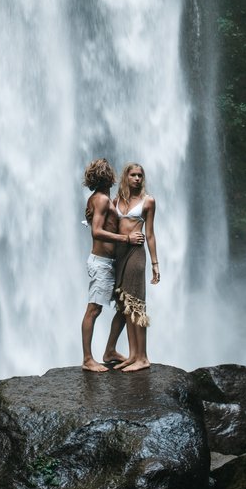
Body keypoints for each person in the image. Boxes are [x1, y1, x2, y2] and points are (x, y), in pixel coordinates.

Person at [81, 158, 142, 372]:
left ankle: (110, 351)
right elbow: (96, 231)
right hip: (102, 263)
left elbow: (103, 220)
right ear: (109, 176)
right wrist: (127, 239)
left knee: (124, 306)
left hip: (110, 263)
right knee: (94, 309)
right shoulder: (101, 200)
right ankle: (88, 359)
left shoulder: (101, 199)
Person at [112, 162, 158, 372]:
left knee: (137, 303)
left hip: (137, 255)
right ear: (126, 177)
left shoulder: (148, 202)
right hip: (121, 255)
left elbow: (149, 234)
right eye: (133, 175)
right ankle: (132, 355)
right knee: (126, 305)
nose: (137, 178)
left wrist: (155, 264)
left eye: (140, 175)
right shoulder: (117, 200)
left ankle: (143, 357)